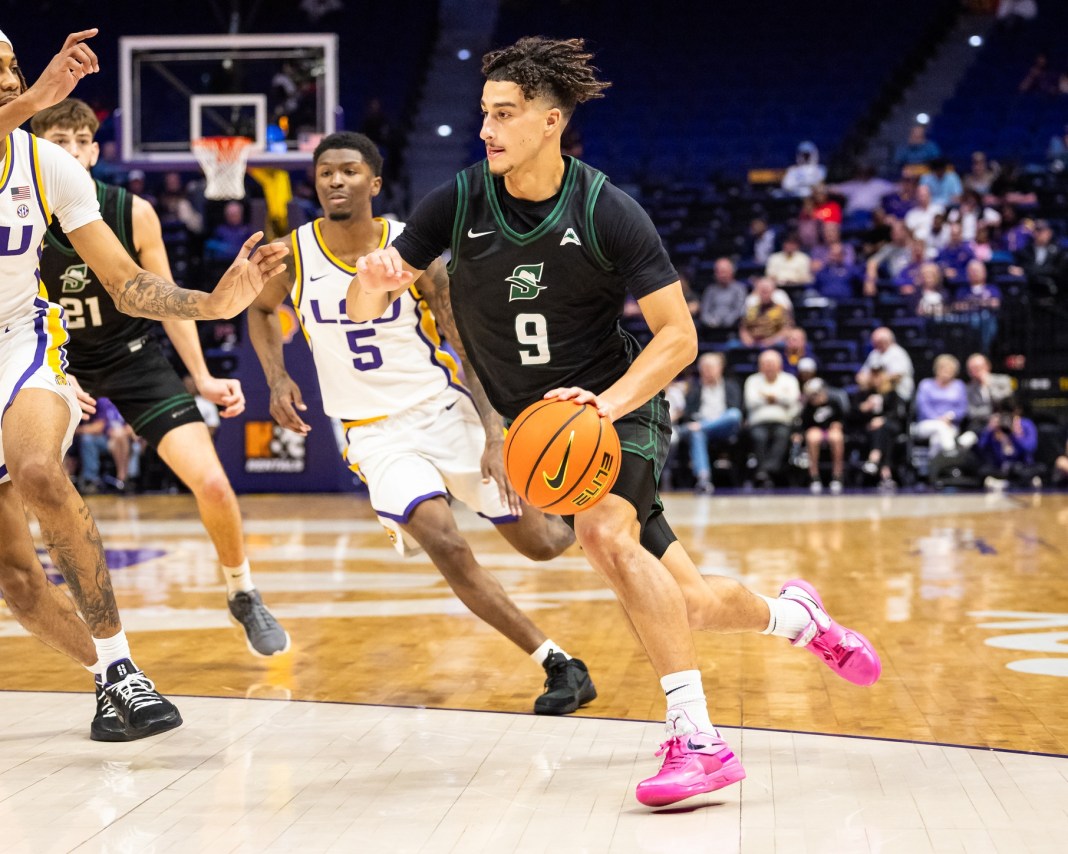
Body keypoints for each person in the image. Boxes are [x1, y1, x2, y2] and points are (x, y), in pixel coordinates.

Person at [345, 37, 881, 807]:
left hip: (613, 407)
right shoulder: (459, 200)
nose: (487, 129)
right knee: (680, 599)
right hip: (544, 428)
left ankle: (699, 740)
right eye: (484, 114)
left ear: (550, 121)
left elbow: (679, 337)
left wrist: (609, 403)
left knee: (602, 534)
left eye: (505, 114)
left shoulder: (604, 209)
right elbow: (370, 303)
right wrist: (375, 282)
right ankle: (795, 618)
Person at [0, 31, 287, 741]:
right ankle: (110, 678)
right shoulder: (30, 113)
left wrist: (213, 305)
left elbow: (128, 285)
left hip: (19, 342)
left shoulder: (47, 168)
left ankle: (123, 664)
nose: (10, 76)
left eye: (11, 64)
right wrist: (36, 97)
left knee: (39, 468)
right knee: (16, 582)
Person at [248, 131, 595, 716]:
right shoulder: (293, 256)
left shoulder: (414, 254)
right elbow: (259, 310)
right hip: (374, 433)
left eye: (350, 171)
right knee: (443, 540)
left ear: (374, 184)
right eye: (326, 172)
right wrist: (277, 377)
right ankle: (557, 663)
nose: (336, 180)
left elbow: (467, 345)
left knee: (543, 544)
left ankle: (588, 505)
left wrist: (493, 430)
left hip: (443, 410)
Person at [682, 352, 742, 494]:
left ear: (720, 368)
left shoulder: (731, 386)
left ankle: (702, 427)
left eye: (711, 367)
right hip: (701, 428)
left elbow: (737, 409)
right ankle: (703, 479)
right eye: (704, 367)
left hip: (724, 427)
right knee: (697, 434)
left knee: (734, 415)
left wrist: (701, 425)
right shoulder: (694, 389)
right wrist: (699, 424)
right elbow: (688, 415)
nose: (707, 370)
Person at [744, 350, 801, 486]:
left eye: (772, 363)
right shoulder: (752, 380)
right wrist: (779, 397)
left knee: (782, 435)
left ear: (779, 365)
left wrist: (767, 397)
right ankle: (769, 472)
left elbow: (793, 401)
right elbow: (750, 402)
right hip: (758, 422)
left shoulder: (790, 379)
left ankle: (764, 471)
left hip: (783, 422)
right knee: (759, 437)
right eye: (765, 363)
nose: (768, 366)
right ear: (760, 366)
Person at [913, 354, 968, 458]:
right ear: (936, 369)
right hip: (926, 423)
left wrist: (951, 417)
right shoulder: (926, 384)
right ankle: (951, 452)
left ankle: (933, 470)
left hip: (951, 424)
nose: (946, 372)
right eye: (943, 369)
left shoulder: (959, 386)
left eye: (950, 370)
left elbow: (962, 408)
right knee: (940, 427)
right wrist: (938, 419)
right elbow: (923, 407)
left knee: (937, 439)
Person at [798, 378, 845, 494]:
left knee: (837, 437)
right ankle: (814, 476)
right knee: (812, 437)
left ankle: (837, 475)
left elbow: (842, 418)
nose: (815, 397)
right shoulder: (808, 407)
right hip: (815, 431)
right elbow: (804, 424)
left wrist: (838, 424)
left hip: (831, 431)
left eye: (817, 393)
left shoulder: (834, 402)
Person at [857, 327, 915, 399]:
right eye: (874, 342)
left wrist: (877, 381)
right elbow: (861, 376)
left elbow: (896, 377)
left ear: (888, 340)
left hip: (896, 393)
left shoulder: (897, 352)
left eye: (879, 342)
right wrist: (870, 381)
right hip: (875, 391)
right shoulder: (874, 353)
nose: (875, 344)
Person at [739, 276, 793, 348]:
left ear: (773, 291)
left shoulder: (781, 309)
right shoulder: (751, 309)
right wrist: (747, 338)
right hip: (753, 344)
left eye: (767, 291)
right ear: (757, 292)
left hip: (773, 344)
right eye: (762, 291)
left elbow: (787, 330)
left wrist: (771, 341)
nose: (764, 294)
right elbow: (743, 328)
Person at [698, 257, 747, 332]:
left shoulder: (739, 289)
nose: (722, 275)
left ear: (732, 272)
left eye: (724, 271)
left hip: (733, 328)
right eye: (719, 272)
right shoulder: (710, 290)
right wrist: (711, 321)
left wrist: (728, 321)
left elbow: (740, 309)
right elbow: (704, 312)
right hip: (711, 328)